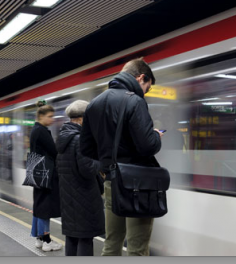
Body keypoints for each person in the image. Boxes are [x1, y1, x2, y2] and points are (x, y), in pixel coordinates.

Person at [80, 58, 163, 256]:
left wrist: (105, 166)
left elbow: (86, 149)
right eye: (147, 88)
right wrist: (156, 136)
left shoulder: (94, 104)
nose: (145, 92)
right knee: (137, 248)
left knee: (112, 243)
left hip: (111, 181)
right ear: (141, 77)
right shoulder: (135, 101)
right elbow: (147, 146)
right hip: (138, 185)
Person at [56, 100, 105, 256]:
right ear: (83, 118)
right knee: (85, 238)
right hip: (84, 196)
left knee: (72, 237)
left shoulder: (64, 137)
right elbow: (87, 169)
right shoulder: (80, 139)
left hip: (68, 195)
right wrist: (101, 163)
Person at [30, 101, 62, 252]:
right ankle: (47, 241)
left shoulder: (35, 129)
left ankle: (38, 239)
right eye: (50, 116)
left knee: (39, 205)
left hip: (37, 171)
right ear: (41, 116)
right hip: (45, 173)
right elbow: (54, 151)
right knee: (45, 207)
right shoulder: (42, 131)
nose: (52, 119)